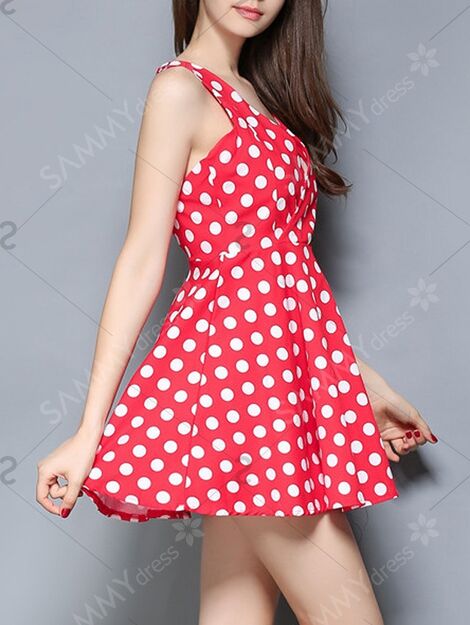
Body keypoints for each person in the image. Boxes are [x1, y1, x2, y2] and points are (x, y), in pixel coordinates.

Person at [36, 1, 438, 623]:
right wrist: (90, 431)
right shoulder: (180, 90)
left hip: (275, 388)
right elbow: (142, 258)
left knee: (234, 615)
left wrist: (361, 383)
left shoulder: (258, 98)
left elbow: (283, 284)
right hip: (243, 394)